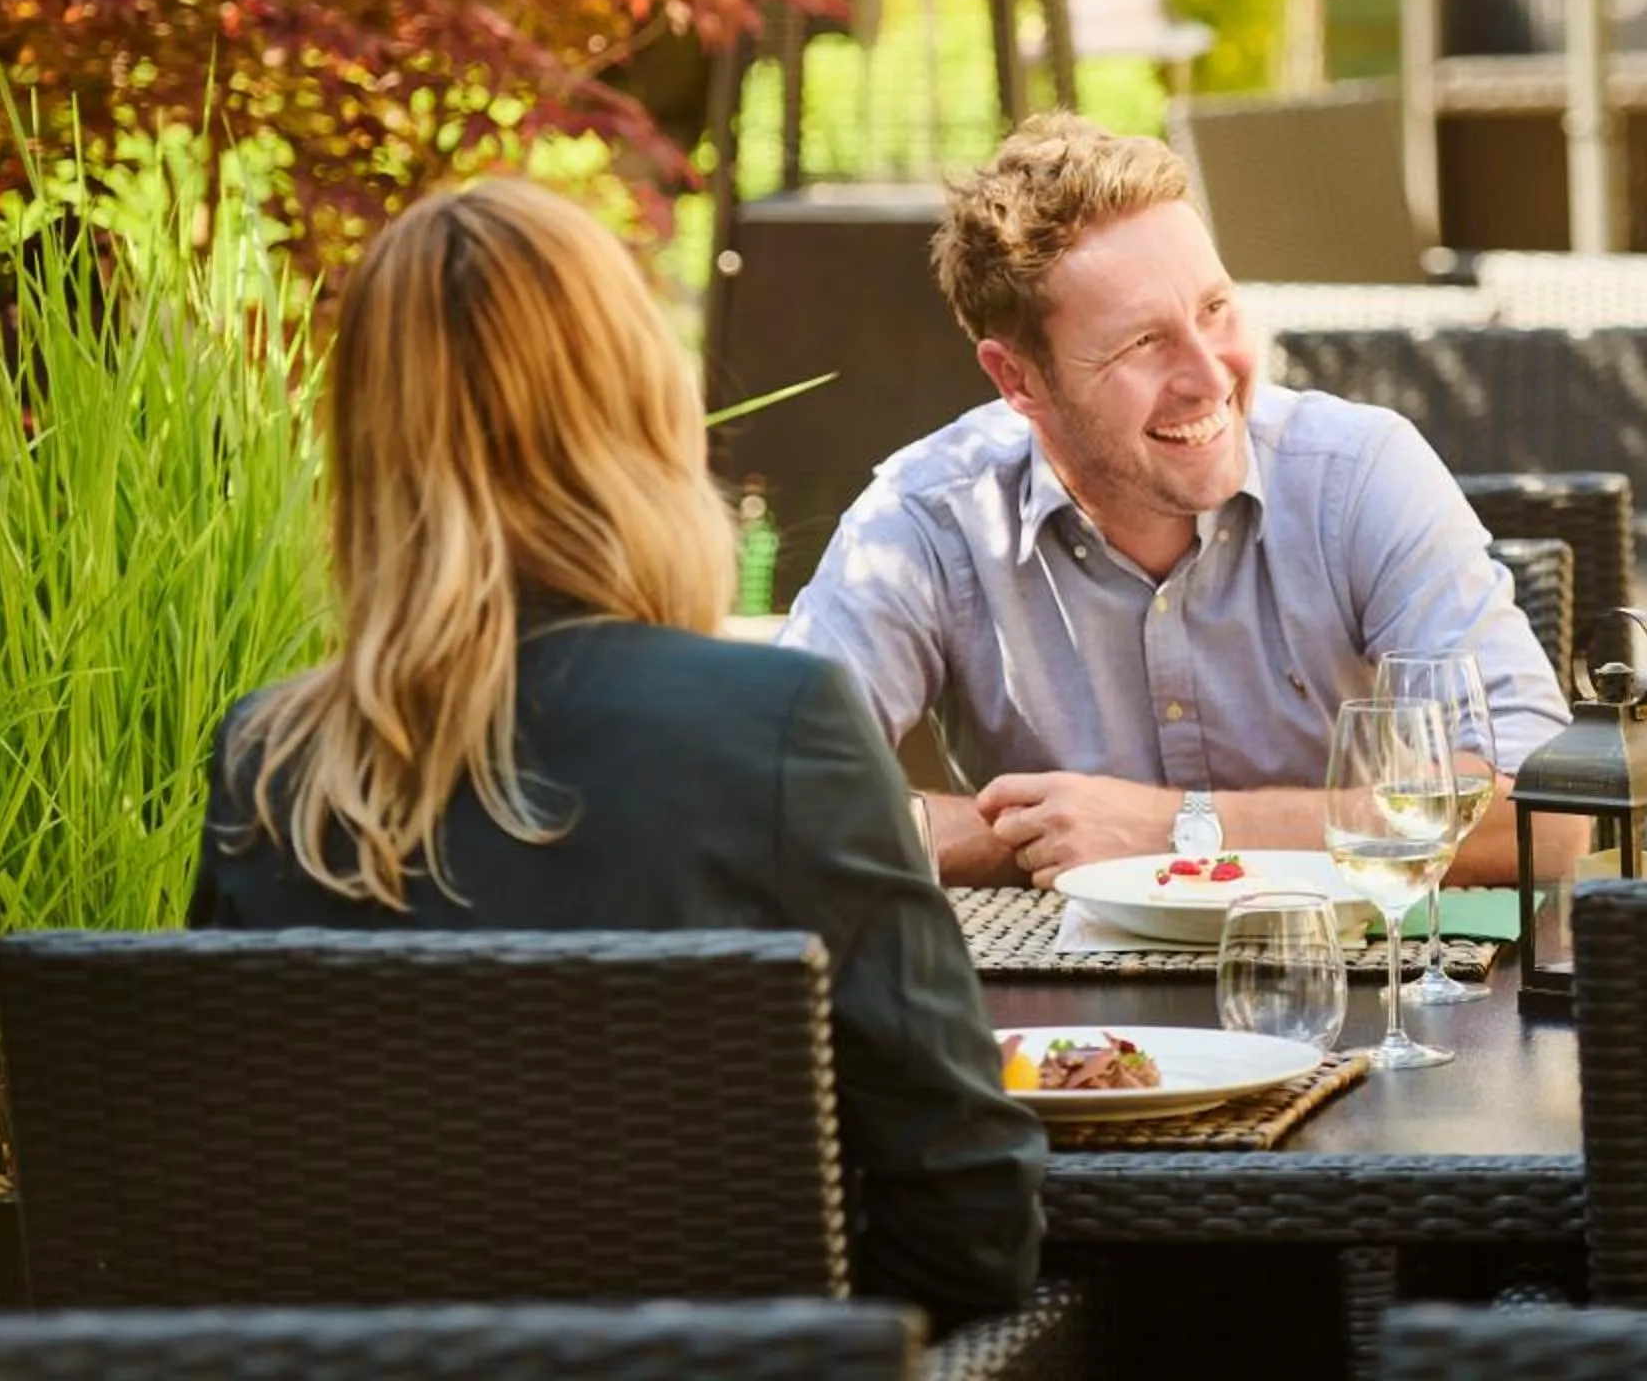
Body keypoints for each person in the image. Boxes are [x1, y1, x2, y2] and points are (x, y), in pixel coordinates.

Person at [190, 178, 1043, 1325]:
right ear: (640, 404)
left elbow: (234, 1197)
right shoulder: (781, 728)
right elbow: (973, 1222)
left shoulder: (273, 760)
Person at [777, 112, 1567, 889]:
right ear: (1017, 379)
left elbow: (1552, 815)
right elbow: (767, 793)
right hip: (1068, 1011)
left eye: (1214, 310)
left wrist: (1169, 830)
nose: (1211, 374)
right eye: (1141, 344)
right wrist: (1029, 838)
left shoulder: (1360, 473)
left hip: (1365, 999)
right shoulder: (929, 519)